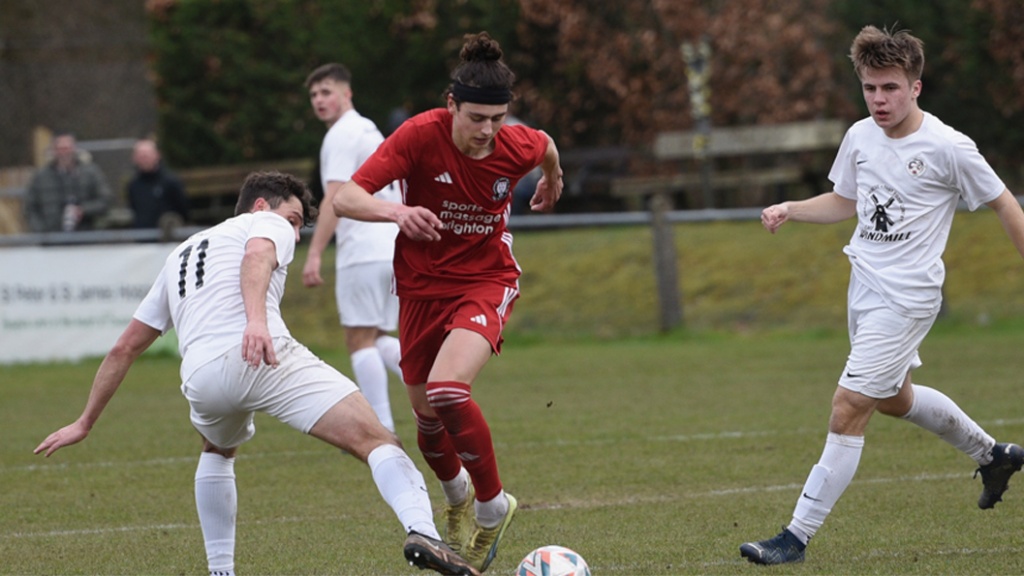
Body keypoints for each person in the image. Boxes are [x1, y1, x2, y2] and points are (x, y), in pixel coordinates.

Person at [34, 171, 479, 576]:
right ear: (262, 205)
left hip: (201, 380)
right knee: (378, 440)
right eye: (294, 217)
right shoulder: (265, 223)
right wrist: (255, 321)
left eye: (301, 224)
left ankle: (221, 571)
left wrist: (85, 421)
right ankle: (423, 531)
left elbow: (124, 347)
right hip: (259, 355)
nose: (295, 229)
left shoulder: (180, 255)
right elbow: (258, 257)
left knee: (217, 449)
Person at [739, 25, 1024, 565]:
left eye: (890, 88)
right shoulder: (860, 136)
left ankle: (794, 538)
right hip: (863, 289)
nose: (879, 100)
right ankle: (994, 455)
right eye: (870, 88)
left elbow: (1004, 203)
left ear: (916, 87)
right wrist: (791, 209)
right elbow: (846, 201)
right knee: (894, 398)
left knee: (848, 406)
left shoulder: (949, 147)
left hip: (908, 297)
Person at [332, 32, 563, 573]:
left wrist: (553, 179)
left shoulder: (514, 142)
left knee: (447, 389)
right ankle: (457, 498)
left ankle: (491, 508)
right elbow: (346, 195)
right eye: (476, 118)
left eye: (497, 119)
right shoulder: (418, 136)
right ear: (451, 104)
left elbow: (545, 144)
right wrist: (395, 213)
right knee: (426, 420)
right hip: (419, 288)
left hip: (486, 279)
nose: (487, 131)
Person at [301, 63, 404, 433]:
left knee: (358, 338)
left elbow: (334, 196)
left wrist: (314, 252)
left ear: (347, 94)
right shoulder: (370, 130)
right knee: (378, 337)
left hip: (363, 248)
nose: (319, 100)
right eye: (314, 95)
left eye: (327, 92)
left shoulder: (342, 134)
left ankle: (382, 426)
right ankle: (434, 384)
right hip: (392, 245)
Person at [23, 132, 113, 232]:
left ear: (74, 148)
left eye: (67, 148)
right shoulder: (40, 177)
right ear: (54, 150)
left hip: (85, 238)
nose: (64, 152)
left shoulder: (91, 173)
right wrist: (41, 231)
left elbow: (105, 200)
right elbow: (29, 207)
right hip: (51, 239)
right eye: (60, 148)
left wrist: (83, 210)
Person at [127, 138, 189, 229]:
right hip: (142, 238)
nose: (144, 160)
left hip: (168, 239)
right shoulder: (133, 185)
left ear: (157, 155)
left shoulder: (171, 182)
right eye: (141, 156)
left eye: (146, 156)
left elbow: (183, 210)